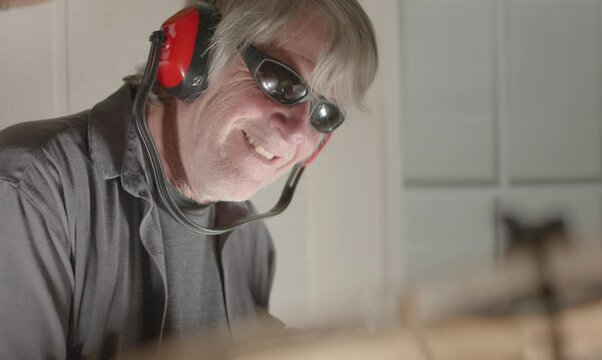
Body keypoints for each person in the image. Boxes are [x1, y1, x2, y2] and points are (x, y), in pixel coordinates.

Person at [0, 0, 377, 358]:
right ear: (198, 56)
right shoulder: (32, 189)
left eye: (324, 114)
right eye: (282, 81)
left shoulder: (251, 244)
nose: (297, 133)